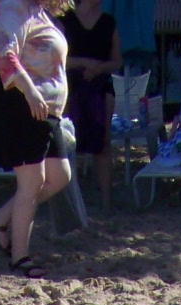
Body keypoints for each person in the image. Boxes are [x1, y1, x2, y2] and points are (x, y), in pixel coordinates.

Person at [0, 0, 75, 280]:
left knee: (59, 175)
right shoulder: (10, 5)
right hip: (18, 101)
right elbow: (2, 52)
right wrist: (30, 91)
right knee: (31, 183)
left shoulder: (36, 10)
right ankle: (20, 258)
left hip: (45, 110)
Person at [62, 0, 121, 209]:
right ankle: (70, 202)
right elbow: (58, 58)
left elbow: (117, 61)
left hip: (101, 85)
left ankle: (106, 202)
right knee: (68, 142)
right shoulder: (66, 20)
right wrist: (84, 63)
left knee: (103, 142)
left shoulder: (108, 22)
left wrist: (98, 68)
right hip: (71, 86)